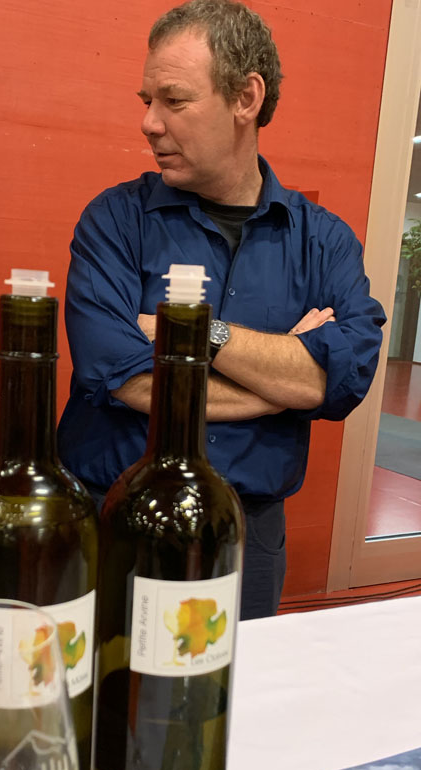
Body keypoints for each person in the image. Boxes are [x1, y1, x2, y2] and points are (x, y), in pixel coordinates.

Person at [57, 0, 385, 619]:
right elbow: (121, 376)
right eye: (146, 100)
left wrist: (196, 331)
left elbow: (342, 380)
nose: (149, 123)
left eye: (174, 100)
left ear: (246, 98)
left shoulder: (324, 241)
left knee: (237, 683)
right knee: (99, 680)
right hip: (114, 519)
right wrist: (282, 387)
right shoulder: (114, 221)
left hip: (246, 536)